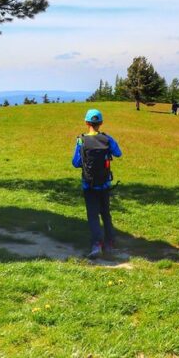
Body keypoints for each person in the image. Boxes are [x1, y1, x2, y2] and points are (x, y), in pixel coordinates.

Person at [72, 108, 123, 258]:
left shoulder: (81, 140)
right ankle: (110, 243)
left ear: (86, 122)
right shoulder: (108, 139)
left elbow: (75, 162)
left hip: (88, 185)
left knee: (93, 215)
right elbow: (118, 153)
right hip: (105, 184)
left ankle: (97, 244)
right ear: (101, 123)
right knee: (106, 214)